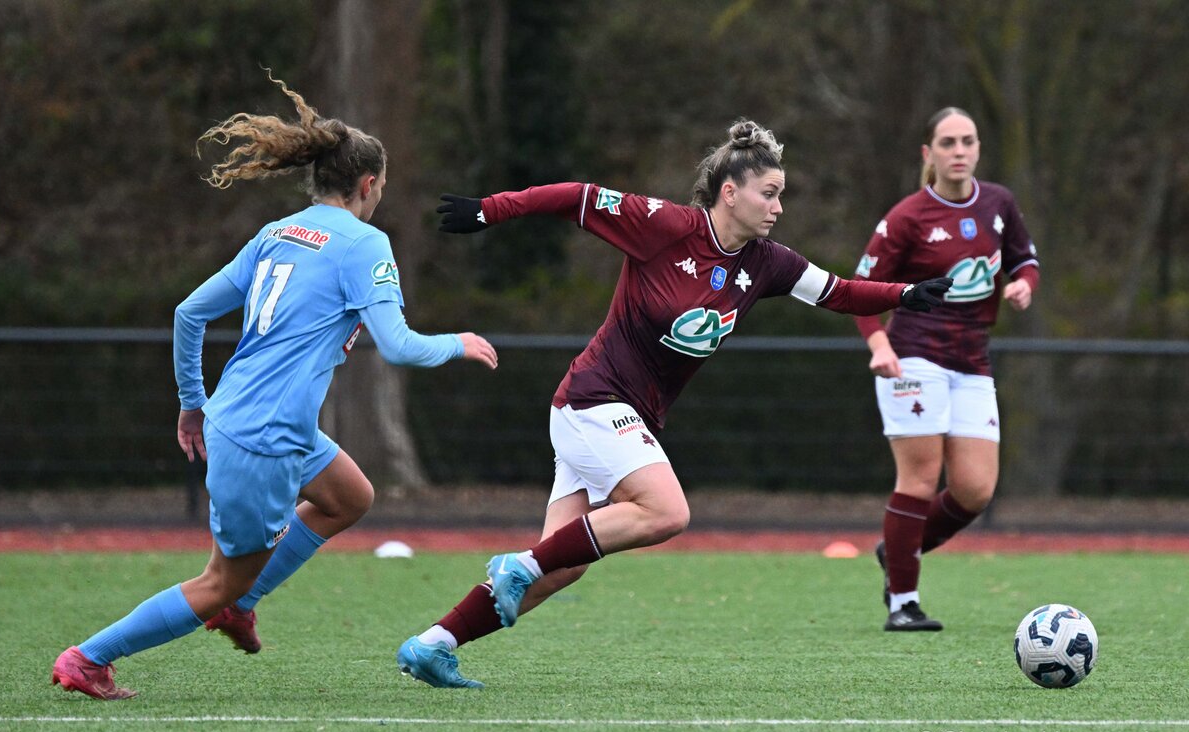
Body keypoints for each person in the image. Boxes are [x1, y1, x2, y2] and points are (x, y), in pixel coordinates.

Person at [394, 119, 953, 688]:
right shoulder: (663, 225)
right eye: (769, 193)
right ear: (729, 193)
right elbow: (576, 197)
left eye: (781, 195)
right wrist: (490, 210)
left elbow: (839, 292)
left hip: (618, 415)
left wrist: (906, 294)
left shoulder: (767, 262)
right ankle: (520, 564)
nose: (778, 207)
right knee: (666, 512)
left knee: (563, 567)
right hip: (593, 399)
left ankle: (434, 644)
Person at [50, 74, 497, 700]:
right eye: (380, 189)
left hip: (248, 418)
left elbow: (189, 313)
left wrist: (192, 404)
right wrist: (459, 343)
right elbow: (398, 346)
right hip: (263, 437)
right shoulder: (365, 243)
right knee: (217, 581)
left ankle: (242, 603)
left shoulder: (277, 233)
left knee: (349, 496)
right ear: (368, 185)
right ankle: (89, 659)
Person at [852, 107, 1039, 632]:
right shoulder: (907, 217)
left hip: (973, 359)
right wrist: (878, 343)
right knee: (919, 477)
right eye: (948, 142)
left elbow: (1024, 259)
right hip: (914, 355)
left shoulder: (999, 203)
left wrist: (1024, 285)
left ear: (978, 148)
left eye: (968, 141)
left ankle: (897, 550)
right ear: (928, 153)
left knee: (975, 490)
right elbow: (861, 291)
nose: (959, 151)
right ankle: (903, 602)